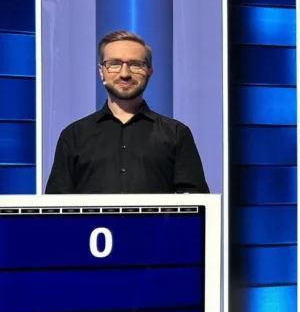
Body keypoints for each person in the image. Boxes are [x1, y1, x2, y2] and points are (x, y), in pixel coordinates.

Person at [45, 30, 209, 194]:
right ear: (101, 71)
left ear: (149, 72)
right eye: (114, 64)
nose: (124, 74)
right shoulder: (74, 135)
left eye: (135, 65)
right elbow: (56, 204)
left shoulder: (176, 134)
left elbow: (197, 203)